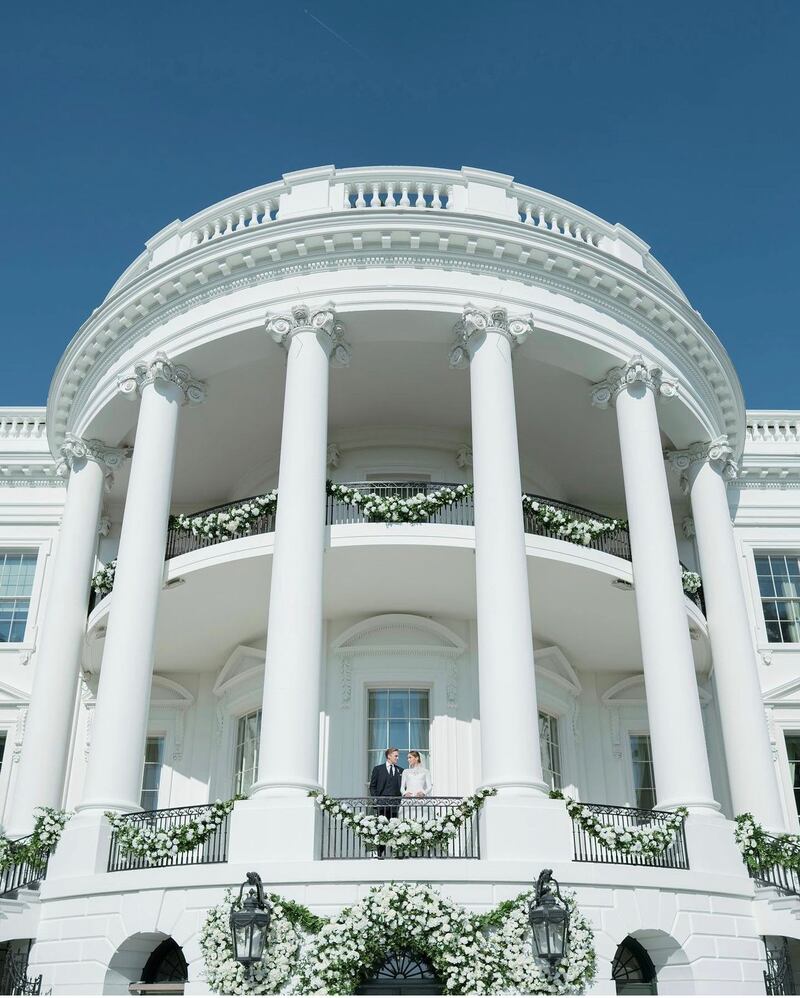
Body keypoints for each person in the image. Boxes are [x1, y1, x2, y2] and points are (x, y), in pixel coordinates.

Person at [368, 747, 403, 857]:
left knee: (394, 828)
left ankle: (394, 853)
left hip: (395, 805)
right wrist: (375, 799)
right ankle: (380, 853)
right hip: (381, 805)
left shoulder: (400, 770)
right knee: (381, 828)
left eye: (397, 756)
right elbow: (372, 786)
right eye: (395, 756)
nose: (397, 758)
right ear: (389, 756)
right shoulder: (378, 769)